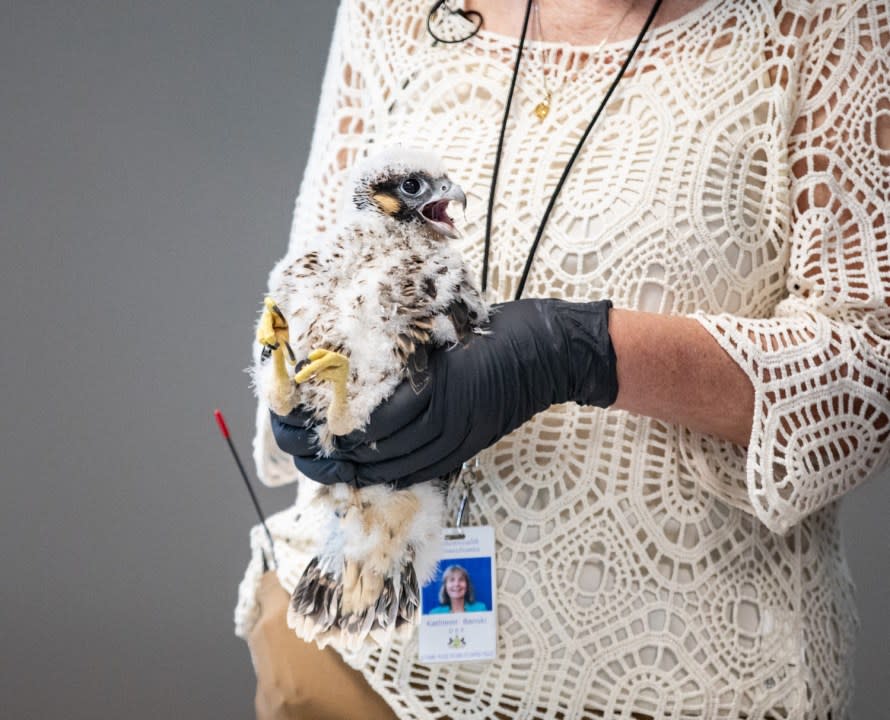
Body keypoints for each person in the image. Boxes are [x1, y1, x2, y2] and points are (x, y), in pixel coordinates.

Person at [234, 1, 890, 718]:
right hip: (357, 659)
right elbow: (310, 276)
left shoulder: (826, 19)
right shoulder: (390, 8)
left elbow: (868, 371)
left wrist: (579, 351)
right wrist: (300, 392)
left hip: (674, 680)